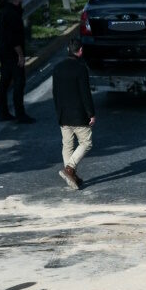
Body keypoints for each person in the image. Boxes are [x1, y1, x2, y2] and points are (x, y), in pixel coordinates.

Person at [51, 38, 96, 190]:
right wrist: (91, 113)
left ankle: (72, 178)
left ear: (68, 50)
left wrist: (59, 113)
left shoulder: (57, 68)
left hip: (63, 114)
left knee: (67, 145)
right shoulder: (81, 68)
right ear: (81, 51)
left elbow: (55, 93)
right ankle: (69, 168)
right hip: (78, 114)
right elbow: (85, 93)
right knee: (86, 143)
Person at [0, 0, 34, 124]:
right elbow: (14, 38)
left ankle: (3, 112)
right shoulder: (13, 14)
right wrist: (20, 55)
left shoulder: (2, 12)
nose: (22, 0)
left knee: (4, 82)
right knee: (19, 82)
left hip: (3, 52)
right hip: (13, 54)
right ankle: (20, 113)